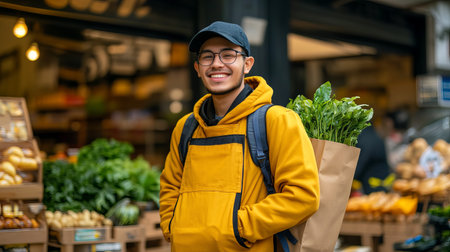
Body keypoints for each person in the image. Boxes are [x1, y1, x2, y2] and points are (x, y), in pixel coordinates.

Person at [159, 21, 319, 252]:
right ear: (197, 68)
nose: (216, 64)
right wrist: (173, 226)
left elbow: (303, 196)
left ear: (247, 64)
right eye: (207, 57)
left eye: (228, 55)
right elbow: (170, 187)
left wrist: (238, 228)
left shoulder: (277, 120)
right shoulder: (186, 127)